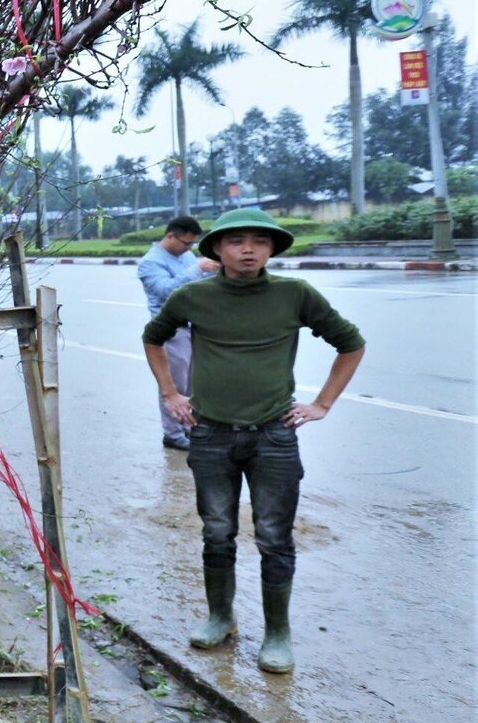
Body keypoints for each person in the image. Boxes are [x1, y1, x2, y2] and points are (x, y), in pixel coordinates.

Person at [140, 209, 365, 675]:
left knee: (274, 537)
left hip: (273, 436)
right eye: (237, 240)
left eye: (260, 241)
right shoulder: (194, 296)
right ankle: (220, 617)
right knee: (217, 530)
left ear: (271, 249)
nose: (248, 249)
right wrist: (170, 394)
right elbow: (153, 337)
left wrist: (321, 404)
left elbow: (350, 343)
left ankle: (277, 632)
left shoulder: (294, 294)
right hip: (211, 434)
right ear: (217, 250)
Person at [136, 216, 216, 450]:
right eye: (186, 242)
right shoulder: (151, 262)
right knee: (173, 384)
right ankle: (172, 433)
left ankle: (188, 427)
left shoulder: (186, 256)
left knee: (192, 384)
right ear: (170, 236)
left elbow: (198, 285)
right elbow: (166, 291)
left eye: (192, 244)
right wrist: (197, 269)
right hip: (171, 330)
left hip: (193, 326)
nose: (189, 248)